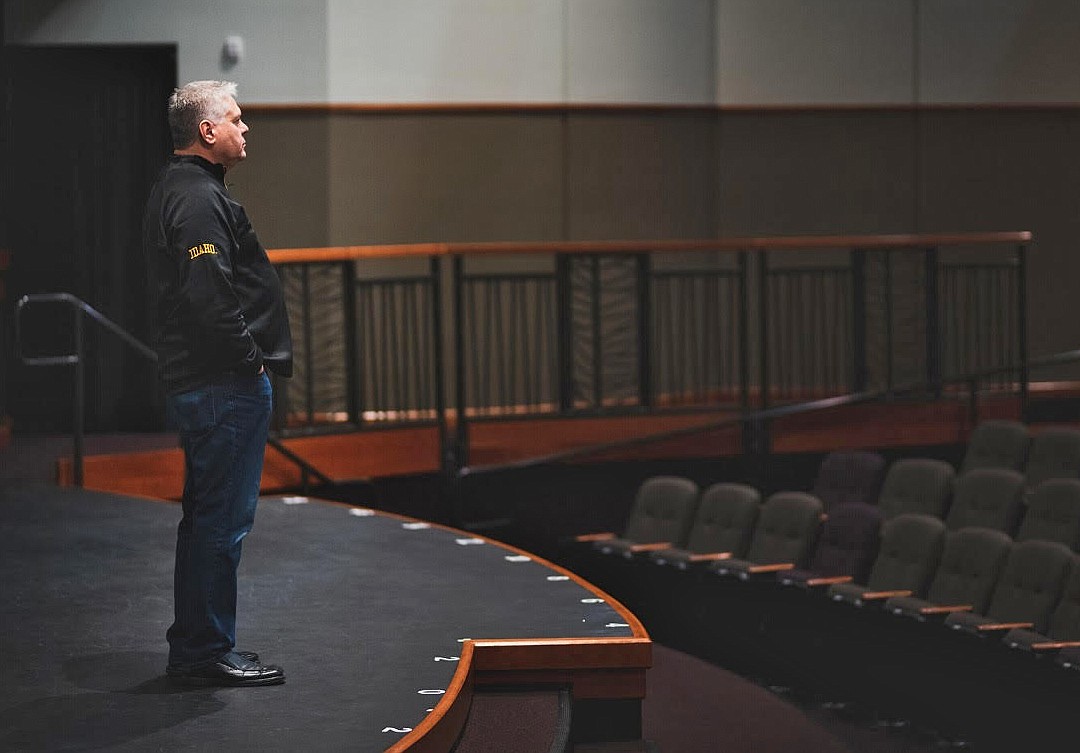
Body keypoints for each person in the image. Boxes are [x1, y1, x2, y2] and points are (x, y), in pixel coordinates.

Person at [143, 80, 292, 686]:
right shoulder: (198, 199)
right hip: (223, 384)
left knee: (207, 519)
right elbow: (210, 300)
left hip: (212, 383)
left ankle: (198, 646)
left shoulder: (181, 189)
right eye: (236, 118)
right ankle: (205, 652)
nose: (245, 127)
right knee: (220, 522)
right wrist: (249, 363)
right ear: (208, 132)